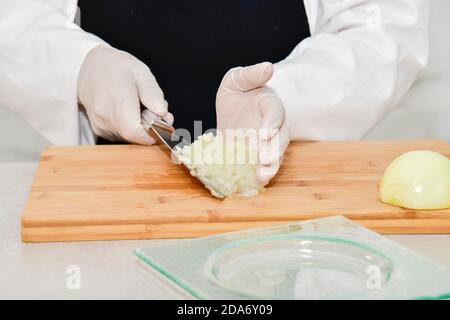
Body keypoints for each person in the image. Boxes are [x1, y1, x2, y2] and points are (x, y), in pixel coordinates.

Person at [0, 0, 429, 184]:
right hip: (112, 188)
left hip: (291, 191)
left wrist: (288, 96)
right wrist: (80, 66)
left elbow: (384, 25)